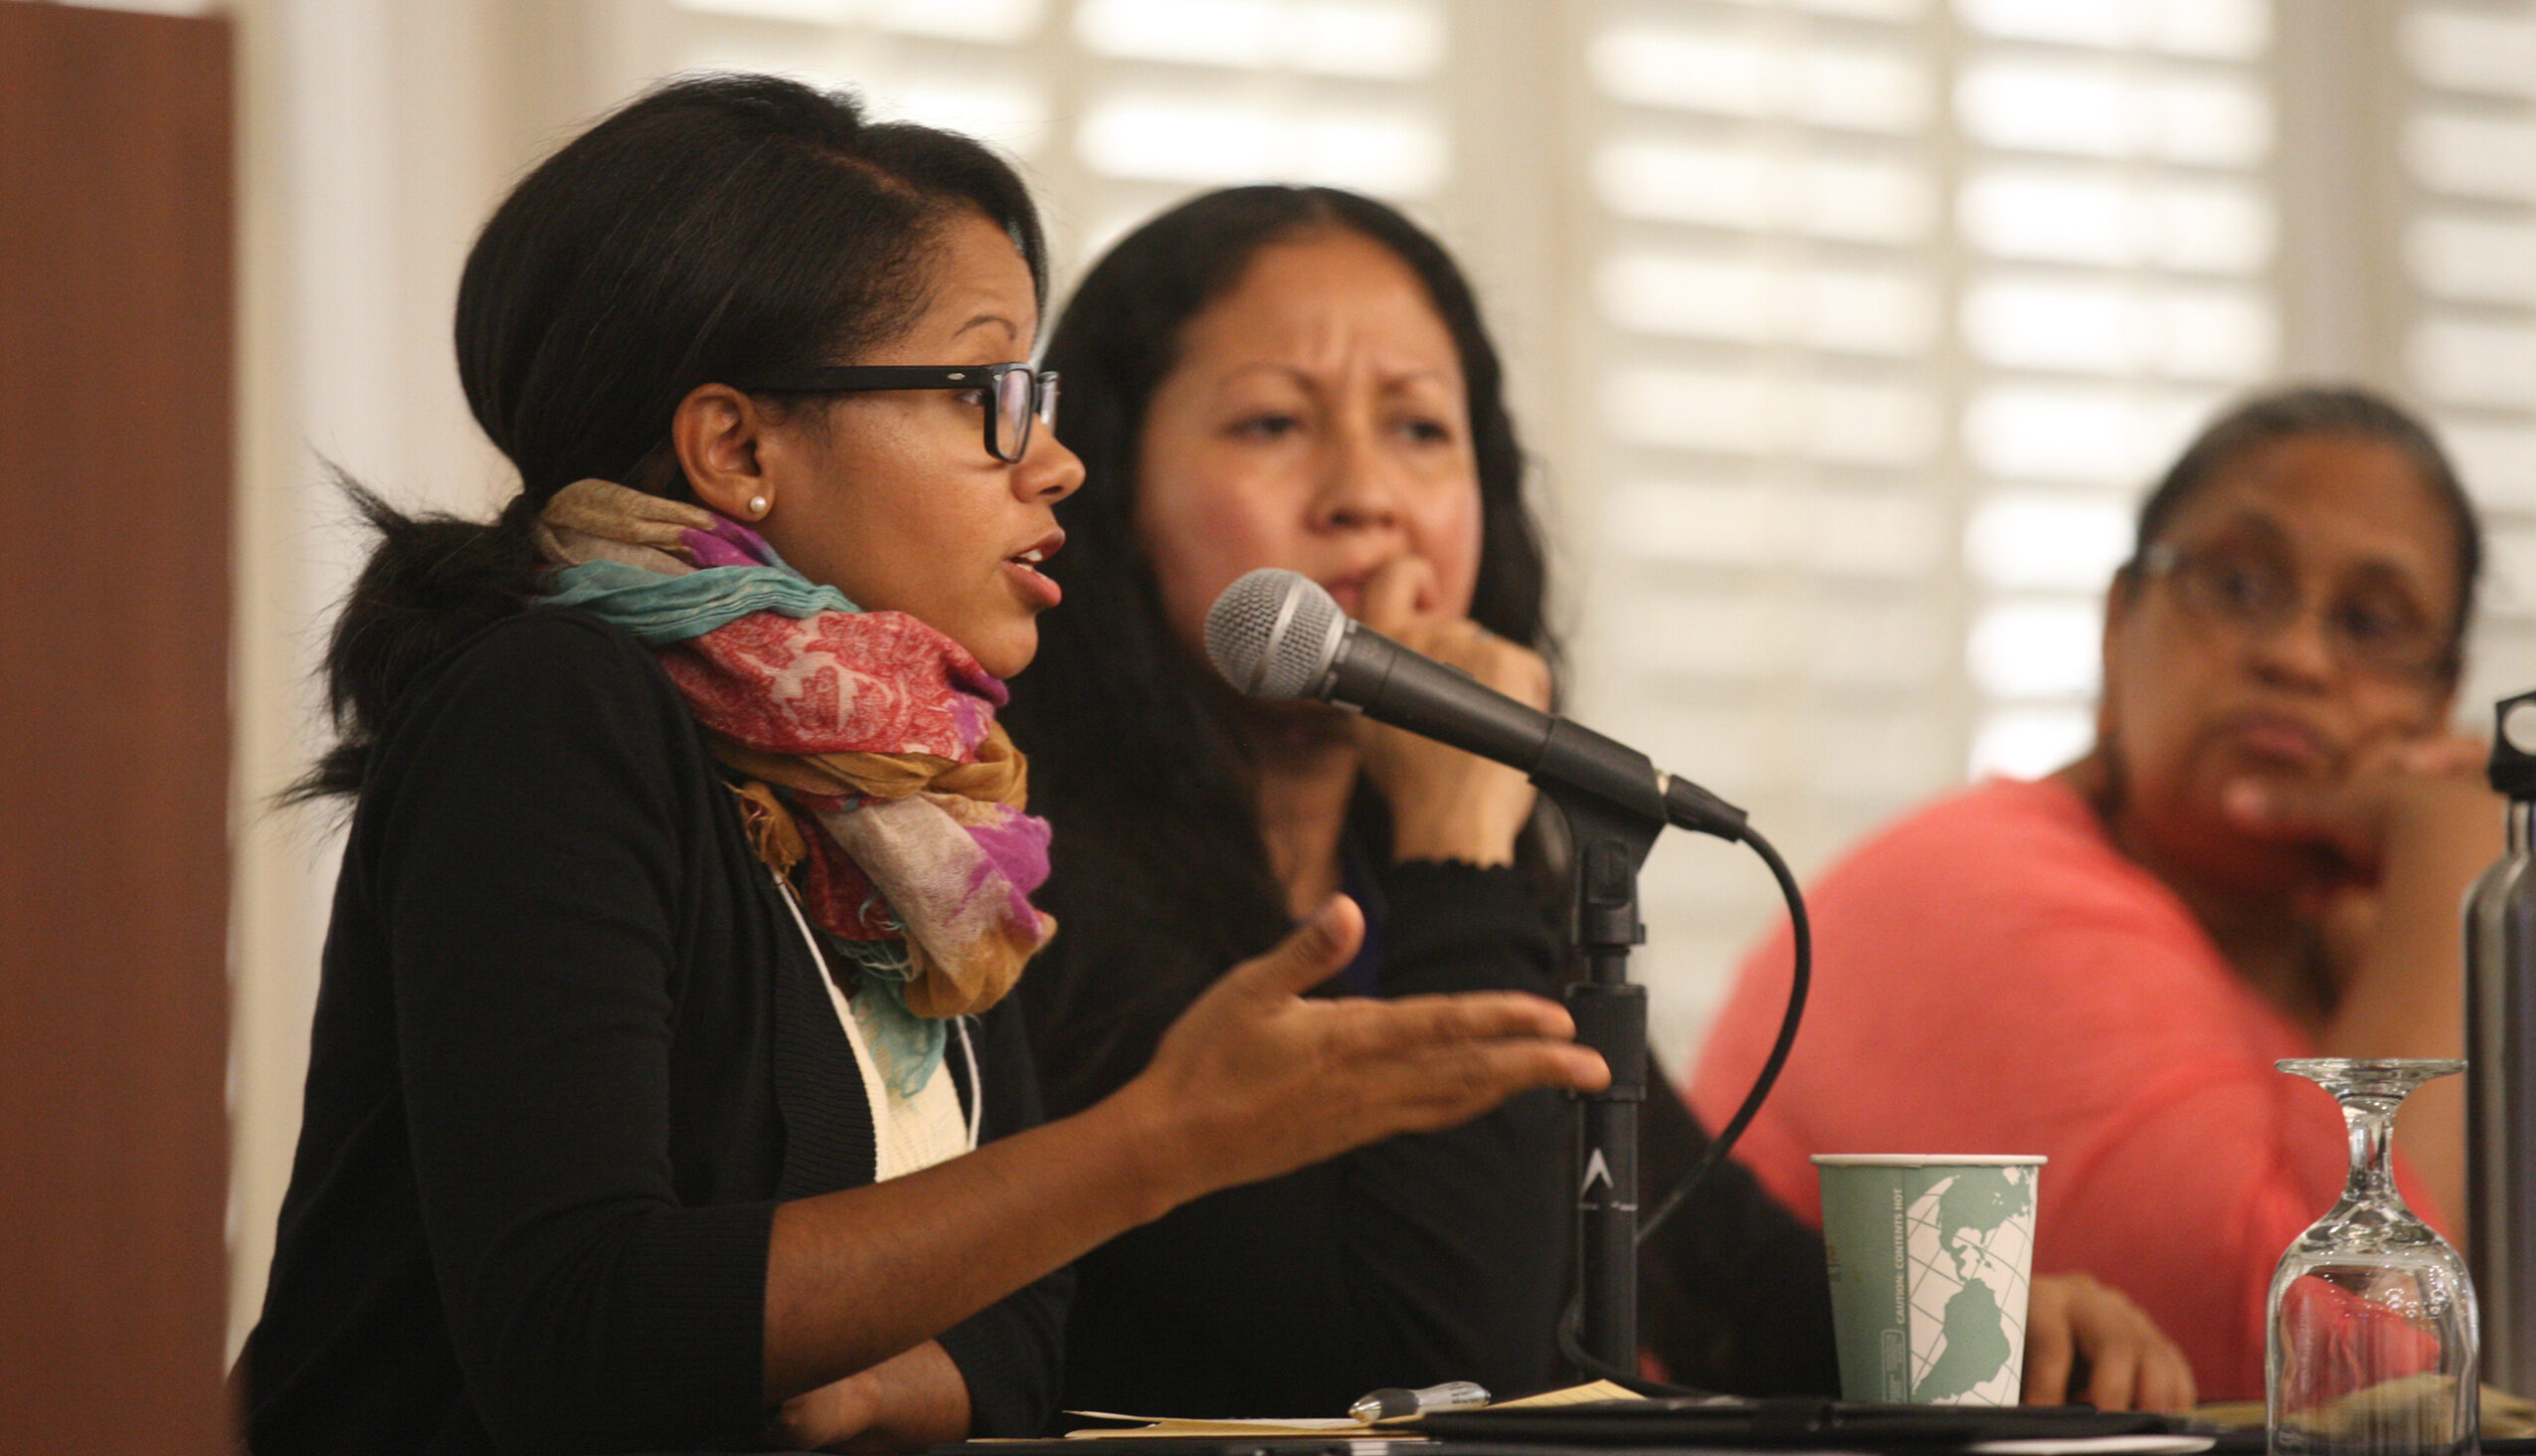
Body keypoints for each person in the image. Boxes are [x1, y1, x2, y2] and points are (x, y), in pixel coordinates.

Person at [236, 79, 1611, 1456]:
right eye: (988, 394)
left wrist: (900, 1379)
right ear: (739, 446)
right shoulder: (551, 712)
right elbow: (576, 1328)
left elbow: (1020, 1351)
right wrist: (1159, 1139)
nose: (1056, 463)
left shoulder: (909, 791)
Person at [1003, 184, 2195, 1418]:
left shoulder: (1416, 847)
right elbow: (1444, 1370)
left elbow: (1708, 1272)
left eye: (1420, 429)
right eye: (1270, 424)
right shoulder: (1024, 870)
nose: (1367, 494)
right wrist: (1455, 843)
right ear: (1106, 485)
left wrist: (1992, 1328)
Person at [1692, 387, 2497, 1401]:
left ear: (2440, 698)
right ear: (2120, 626)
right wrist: (2452, 852)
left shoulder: (2333, 941)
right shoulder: (1976, 887)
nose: (2295, 655)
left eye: (2373, 624)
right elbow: (2350, 1358)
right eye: (2241, 585)